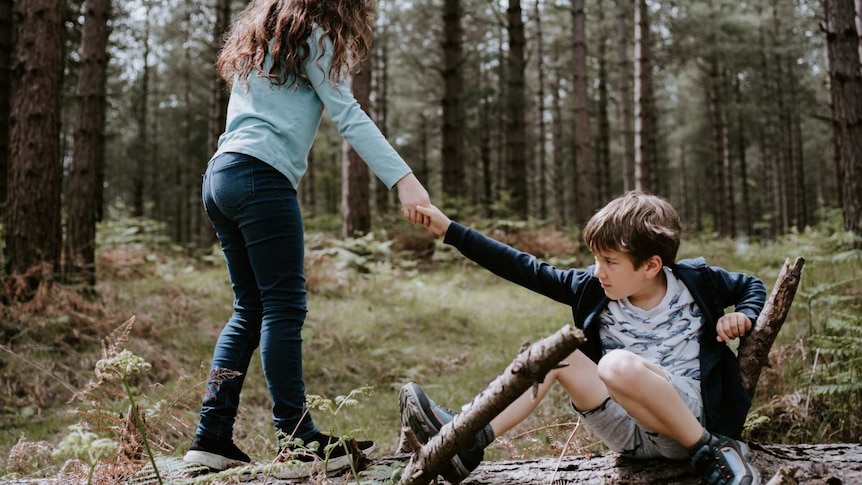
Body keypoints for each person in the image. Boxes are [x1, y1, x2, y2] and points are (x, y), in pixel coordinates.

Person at [182, 0, 431, 479]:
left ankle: (210, 438)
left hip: (221, 175)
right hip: (260, 176)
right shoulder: (315, 33)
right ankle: (297, 443)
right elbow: (348, 113)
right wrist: (403, 179)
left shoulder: (261, 39)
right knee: (282, 307)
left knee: (249, 309)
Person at [400, 191, 765, 485]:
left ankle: (713, 449)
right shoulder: (592, 289)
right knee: (557, 354)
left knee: (616, 365)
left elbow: (752, 286)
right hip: (628, 432)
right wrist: (450, 229)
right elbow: (523, 267)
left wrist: (742, 315)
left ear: (652, 265)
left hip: (687, 419)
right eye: (595, 258)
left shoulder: (696, 282)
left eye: (610, 261)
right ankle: (468, 440)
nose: (597, 271)